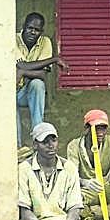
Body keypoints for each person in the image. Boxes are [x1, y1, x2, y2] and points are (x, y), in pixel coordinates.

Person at [15, 12, 68, 147]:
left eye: (37, 30)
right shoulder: (13, 40)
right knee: (9, 103)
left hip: (29, 92)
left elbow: (42, 75)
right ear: (23, 27)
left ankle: (38, 139)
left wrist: (22, 72)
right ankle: (16, 147)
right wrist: (54, 59)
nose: (33, 32)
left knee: (38, 84)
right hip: (13, 91)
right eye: (30, 28)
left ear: (41, 32)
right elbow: (22, 64)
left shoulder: (45, 42)